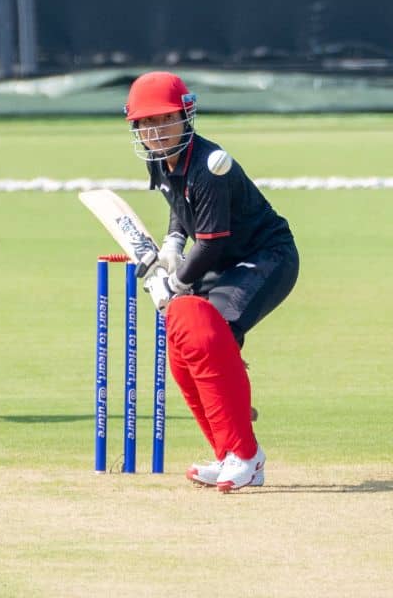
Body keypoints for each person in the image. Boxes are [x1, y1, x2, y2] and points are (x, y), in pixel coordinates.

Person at [124, 71, 299, 492]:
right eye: (147, 123)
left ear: (186, 116)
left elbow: (213, 243)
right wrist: (173, 242)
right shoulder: (159, 158)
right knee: (183, 342)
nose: (156, 131)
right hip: (221, 262)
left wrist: (175, 281)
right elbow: (180, 204)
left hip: (264, 257)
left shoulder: (209, 166)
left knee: (205, 334)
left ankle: (245, 455)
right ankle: (229, 452)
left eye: (165, 119)